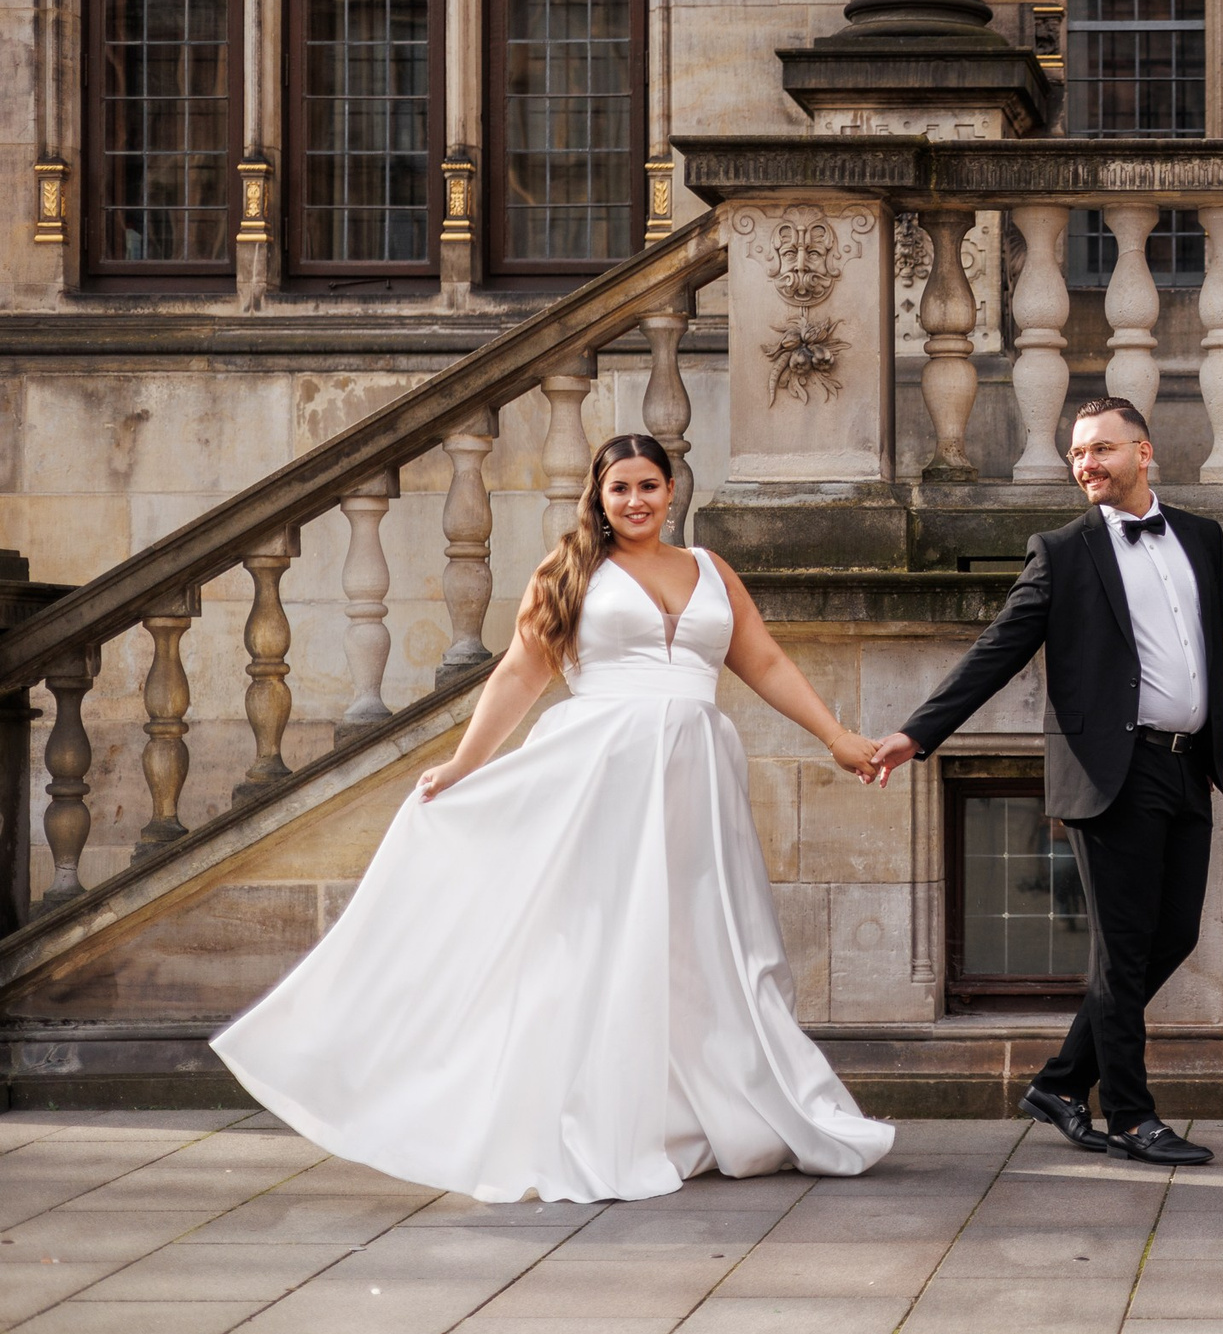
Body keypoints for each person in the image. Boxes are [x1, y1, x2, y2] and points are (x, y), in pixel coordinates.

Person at [213, 434, 896, 1203]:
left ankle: (706, 1109)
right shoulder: (570, 571)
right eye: (619, 489)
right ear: (599, 498)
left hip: (696, 777)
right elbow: (518, 672)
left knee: (706, 940)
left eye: (647, 485)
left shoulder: (711, 570)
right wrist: (465, 763)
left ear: (672, 490)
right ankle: (597, 1113)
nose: (634, 500)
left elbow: (764, 659)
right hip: (599, 773)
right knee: (605, 940)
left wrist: (837, 737)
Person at [870, 397, 1223, 1166]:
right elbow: (997, 649)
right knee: (1122, 949)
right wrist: (917, 732)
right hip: (1111, 772)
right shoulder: (1061, 552)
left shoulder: (1201, 537)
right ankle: (1130, 1116)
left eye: (1100, 449)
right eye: (1076, 454)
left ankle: (1063, 1082)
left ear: (1143, 450)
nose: (1086, 464)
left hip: (1187, 763)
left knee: (1175, 934)